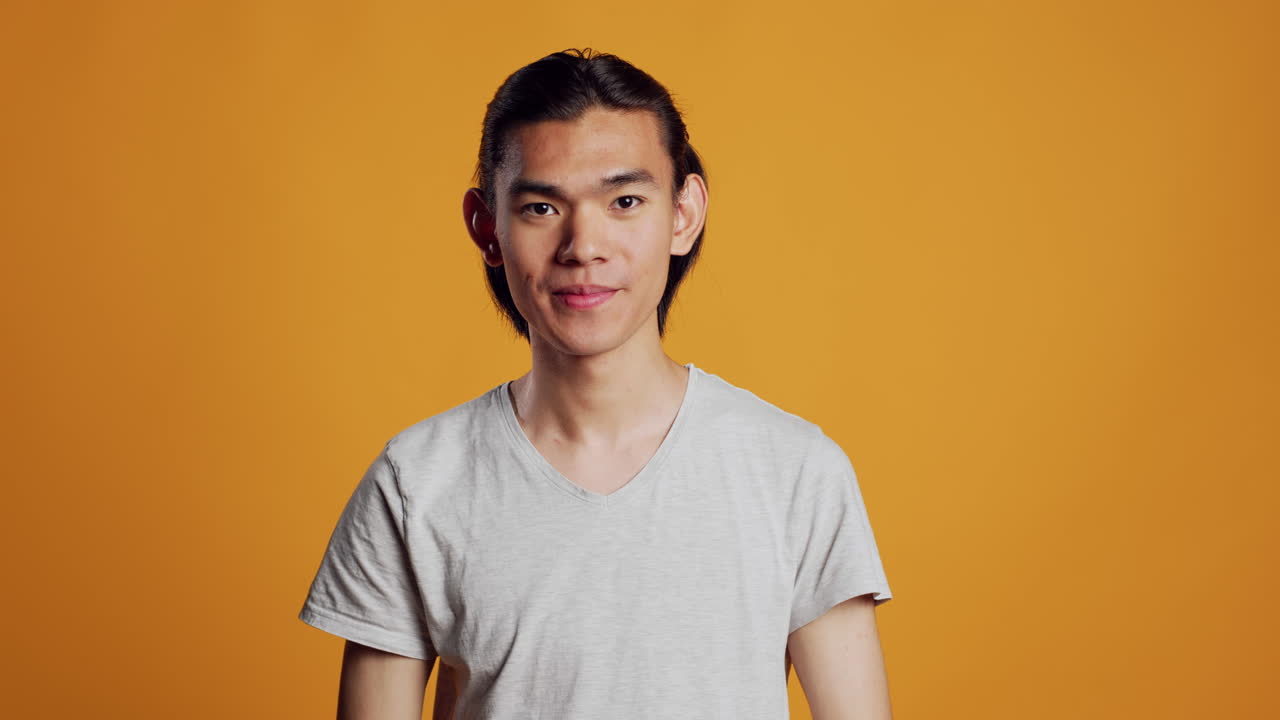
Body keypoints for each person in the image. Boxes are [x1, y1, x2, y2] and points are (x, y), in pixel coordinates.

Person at [299, 47, 895, 719]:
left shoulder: (795, 472)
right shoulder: (415, 483)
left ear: (684, 213)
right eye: (541, 209)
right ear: (486, 226)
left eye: (625, 201)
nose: (585, 245)